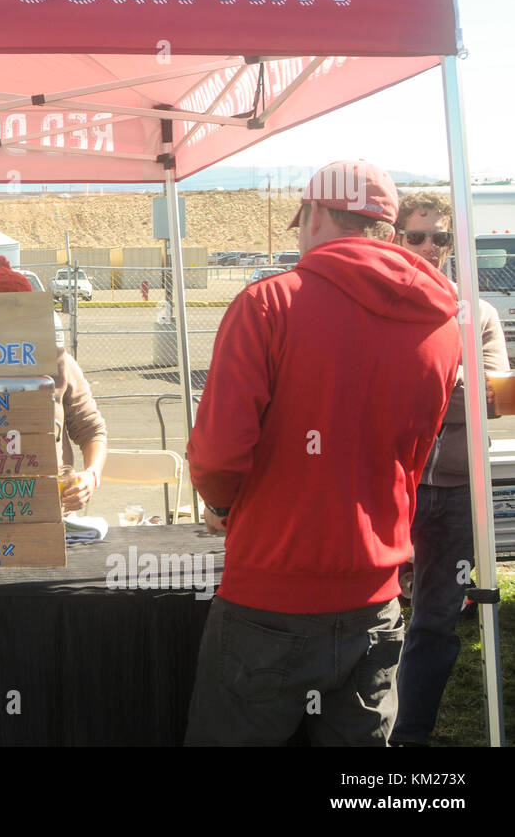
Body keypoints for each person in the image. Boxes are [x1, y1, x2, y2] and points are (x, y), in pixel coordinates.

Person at [184, 160, 461, 746]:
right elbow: (415, 453)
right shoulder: (441, 324)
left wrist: (223, 506)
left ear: (312, 216)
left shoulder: (268, 304)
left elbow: (217, 455)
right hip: (375, 595)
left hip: (270, 592)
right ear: (386, 228)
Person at [389, 193, 507, 746]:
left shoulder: (477, 311)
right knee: (370, 612)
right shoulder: (382, 305)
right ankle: (365, 726)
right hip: (389, 485)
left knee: (435, 619)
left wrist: (428, 385)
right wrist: (451, 383)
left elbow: (488, 399)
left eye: (440, 237)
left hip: (459, 492)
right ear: (394, 238)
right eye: (417, 235)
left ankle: (410, 736)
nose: (430, 247)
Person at [0, 256, 107, 511]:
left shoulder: (58, 363)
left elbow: (92, 430)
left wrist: (90, 476)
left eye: (15, 310)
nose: (5, 322)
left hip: (50, 512)